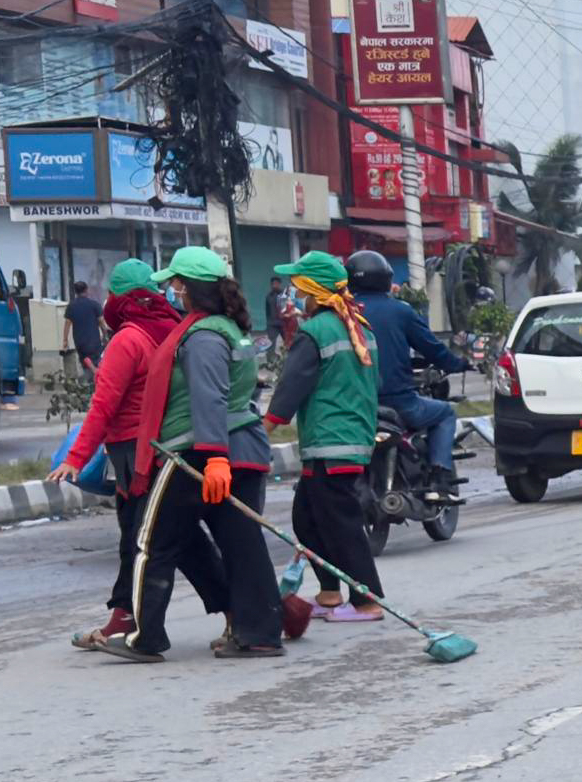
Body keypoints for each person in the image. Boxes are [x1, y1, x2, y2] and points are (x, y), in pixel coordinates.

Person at [122, 248, 283, 663]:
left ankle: (144, 637)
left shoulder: (204, 337)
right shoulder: (231, 329)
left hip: (197, 454)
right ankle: (259, 631)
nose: (173, 291)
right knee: (242, 545)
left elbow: (209, 398)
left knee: (151, 541)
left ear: (186, 288)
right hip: (240, 449)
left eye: (176, 284)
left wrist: (212, 458)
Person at [53, 260, 197, 653]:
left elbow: (104, 405)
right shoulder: (171, 327)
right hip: (166, 444)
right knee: (165, 536)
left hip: (133, 451)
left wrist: (76, 458)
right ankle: (126, 614)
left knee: (141, 536)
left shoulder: (128, 339)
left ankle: (133, 622)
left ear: (118, 298)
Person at [268, 251, 387, 624]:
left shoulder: (315, 332)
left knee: (340, 524)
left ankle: (367, 599)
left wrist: (266, 427)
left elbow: (292, 387)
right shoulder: (359, 327)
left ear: (313, 292)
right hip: (347, 439)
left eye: (299, 288)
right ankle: (331, 592)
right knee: (307, 518)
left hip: (331, 440)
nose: (296, 297)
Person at [346, 250, 467, 491]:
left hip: (353, 404)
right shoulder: (401, 311)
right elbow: (432, 349)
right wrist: (457, 363)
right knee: (445, 414)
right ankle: (438, 475)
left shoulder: (342, 313)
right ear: (385, 280)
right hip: (399, 402)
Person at [64, 277, 106, 393]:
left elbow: (67, 324)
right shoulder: (94, 305)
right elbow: (102, 322)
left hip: (79, 341)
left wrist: (65, 340)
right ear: (86, 290)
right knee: (96, 362)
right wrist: (105, 334)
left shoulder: (71, 306)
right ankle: (96, 384)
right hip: (94, 340)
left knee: (85, 363)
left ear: (75, 292)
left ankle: (89, 386)